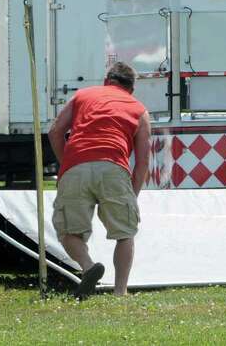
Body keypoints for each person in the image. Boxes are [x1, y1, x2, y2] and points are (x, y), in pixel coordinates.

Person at [48, 61, 151, 298]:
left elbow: (55, 131)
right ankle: (120, 291)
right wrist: (132, 196)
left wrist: (67, 165)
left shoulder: (83, 95)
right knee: (125, 233)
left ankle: (88, 266)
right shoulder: (139, 110)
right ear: (131, 89)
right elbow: (143, 162)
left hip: (76, 165)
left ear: (106, 81)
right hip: (114, 167)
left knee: (68, 232)